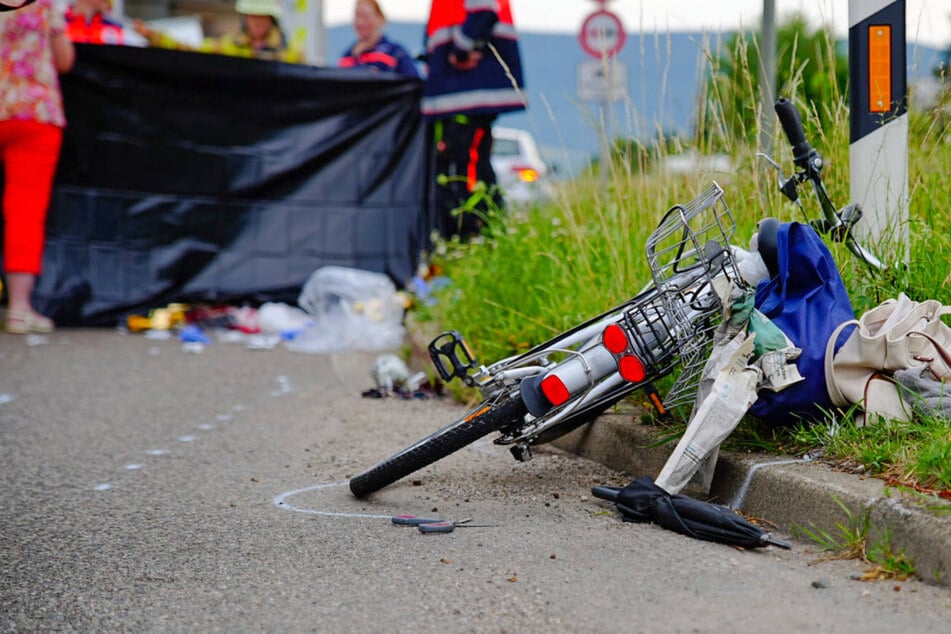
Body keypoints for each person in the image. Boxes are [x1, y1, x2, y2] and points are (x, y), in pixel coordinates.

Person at [1, 0, 75, 333]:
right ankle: (19, 309)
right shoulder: (44, 4)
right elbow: (65, 60)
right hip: (35, 113)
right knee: (25, 212)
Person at [423, 0, 525, 237]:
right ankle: (483, 232)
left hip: (466, 87)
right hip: (458, 91)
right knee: (468, 162)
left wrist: (460, 49)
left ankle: (473, 233)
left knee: (465, 164)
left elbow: (485, 10)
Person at [134, 0, 303, 64]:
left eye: (262, 17)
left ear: (271, 20)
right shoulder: (229, 47)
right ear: (245, 18)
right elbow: (191, 51)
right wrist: (154, 36)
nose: (257, 22)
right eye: (252, 16)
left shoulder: (291, 54)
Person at [338, 0, 418, 78]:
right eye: (357, 16)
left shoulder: (396, 53)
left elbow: (414, 84)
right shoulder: (347, 56)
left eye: (365, 17)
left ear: (380, 18)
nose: (360, 23)